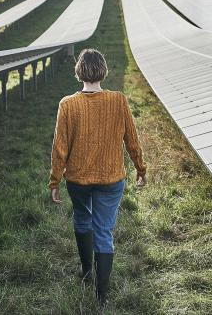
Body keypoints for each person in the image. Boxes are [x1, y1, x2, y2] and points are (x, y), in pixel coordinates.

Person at [49, 48, 147, 305]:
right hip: (111, 178)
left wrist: (55, 180)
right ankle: (101, 295)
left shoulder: (67, 104)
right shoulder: (118, 100)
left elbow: (60, 147)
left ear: (78, 71)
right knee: (103, 231)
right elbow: (132, 139)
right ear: (103, 70)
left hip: (78, 179)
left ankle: (87, 270)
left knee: (82, 219)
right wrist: (140, 168)